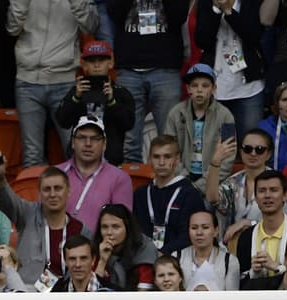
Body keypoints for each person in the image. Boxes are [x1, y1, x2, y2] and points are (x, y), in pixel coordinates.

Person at [8, 0, 98, 168]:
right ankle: (33, 194)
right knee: (32, 156)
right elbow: (12, 28)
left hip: (64, 81)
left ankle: (78, 194)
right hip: (27, 81)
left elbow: (91, 27)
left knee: (74, 151)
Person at [108, 0, 191, 164]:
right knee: (129, 143)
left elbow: (178, 17)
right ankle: (132, 186)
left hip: (165, 67)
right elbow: (114, 13)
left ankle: (170, 187)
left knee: (170, 140)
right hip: (129, 68)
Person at [0, 159, 91, 288]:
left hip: (66, 298)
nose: (52, 194)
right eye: (47, 189)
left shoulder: (80, 229)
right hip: (27, 294)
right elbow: (7, 202)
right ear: (39, 193)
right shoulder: (27, 214)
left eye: (58, 189)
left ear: (68, 192)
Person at [54, 40, 135, 166]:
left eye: (101, 60)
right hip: (78, 162)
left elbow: (128, 124)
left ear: (111, 63)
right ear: (84, 65)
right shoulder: (77, 91)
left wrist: (112, 102)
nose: (97, 65)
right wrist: (76, 98)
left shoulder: (120, 93)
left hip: (111, 161)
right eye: (91, 61)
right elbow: (63, 121)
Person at [193, 0, 266, 140]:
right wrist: (215, 10)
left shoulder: (251, 3)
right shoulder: (206, 3)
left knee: (250, 143)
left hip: (248, 87)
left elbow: (254, 36)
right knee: (222, 145)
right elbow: (202, 41)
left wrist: (229, 11)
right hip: (216, 88)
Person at [236, 170, 287, 284]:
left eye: (274, 190)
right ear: (255, 198)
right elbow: (240, 284)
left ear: (285, 195)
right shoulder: (246, 237)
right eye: (262, 191)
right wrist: (253, 272)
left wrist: (277, 268)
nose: (267, 195)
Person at [163, 64, 237, 190]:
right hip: (181, 180)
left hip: (213, 183)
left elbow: (228, 158)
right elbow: (169, 151)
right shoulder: (175, 113)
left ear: (214, 88)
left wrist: (201, 185)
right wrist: (185, 180)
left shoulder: (226, 116)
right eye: (194, 85)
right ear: (188, 89)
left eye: (205, 86)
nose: (199, 90)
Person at [132, 135, 207, 254]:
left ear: (177, 159)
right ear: (149, 160)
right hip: (145, 257)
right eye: (156, 157)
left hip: (179, 259)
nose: (161, 162)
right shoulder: (140, 194)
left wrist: (165, 252)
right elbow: (135, 231)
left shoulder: (189, 193)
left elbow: (190, 235)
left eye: (167, 157)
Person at [58, 117, 133, 234]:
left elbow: (120, 227)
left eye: (94, 139)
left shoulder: (120, 178)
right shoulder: (56, 174)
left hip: (98, 248)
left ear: (104, 144)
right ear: (72, 142)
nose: (88, 144)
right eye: (82, 138)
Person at [207, 128, 274, 244]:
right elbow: (213, 198)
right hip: (232, 247)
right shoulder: (233, 181)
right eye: (247, 149)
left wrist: (248, 223)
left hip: (267, 246)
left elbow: (280, 222)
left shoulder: (276, 183)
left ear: (268, 154)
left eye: (259, 150)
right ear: (241, 152)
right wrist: (215, 162)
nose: (253, 153)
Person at [94, 202, 156, 291]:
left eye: (116, 227)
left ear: (127, 228)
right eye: (104, 227)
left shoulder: (144, 249)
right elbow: (92, 292)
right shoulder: (97, 249)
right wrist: (102, 261)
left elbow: (143, 296)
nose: (109, 232)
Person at [175, 209, 240, 291]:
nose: (199, 232)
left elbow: (232, 299)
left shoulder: (229, 261)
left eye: (205, 227)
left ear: (216, 231)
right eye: (194, 228)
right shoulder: (177, 257)